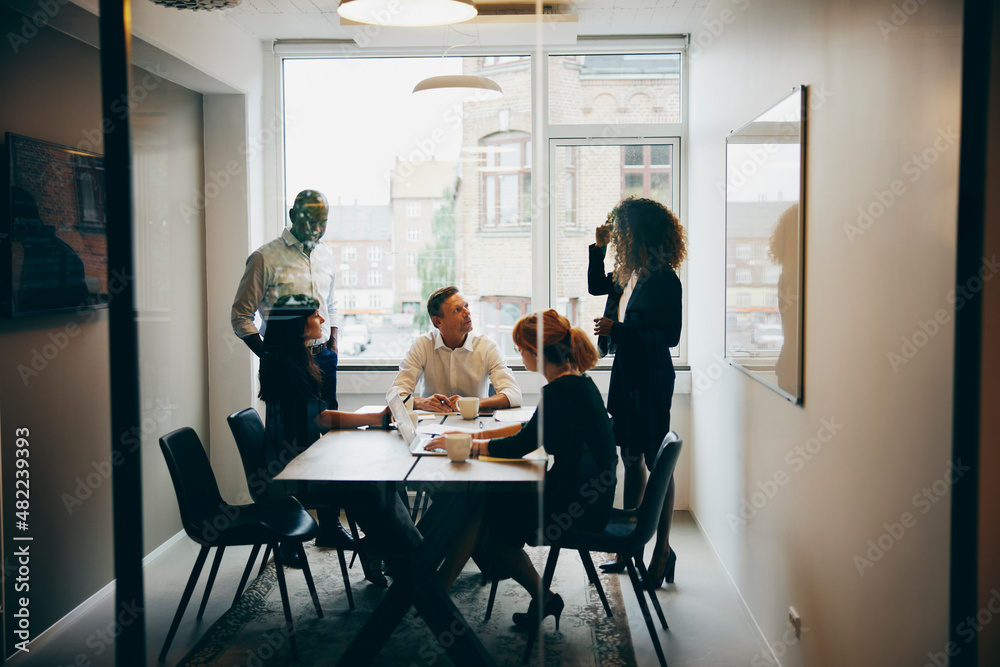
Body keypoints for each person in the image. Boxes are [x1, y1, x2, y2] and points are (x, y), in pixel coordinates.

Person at [425, 309, 617, 629]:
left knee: (486, 513)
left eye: (521, 349)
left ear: (536, 351)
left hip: (578, 507)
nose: (521, 356)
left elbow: (519, 445)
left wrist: (464, 445)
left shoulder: (562, 391)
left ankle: (438, 584)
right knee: (485, 504)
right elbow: (532, 430)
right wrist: (471, 436)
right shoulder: (574, 383)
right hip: (586, 496)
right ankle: (442, 585)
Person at [258, 294, 396, 583]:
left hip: (295, 462)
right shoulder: (289, 367)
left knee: (376, 484)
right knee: (372, 488)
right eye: (315, 315)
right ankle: (398, 552)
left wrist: (374, 418)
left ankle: (388, 550)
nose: (322, 319)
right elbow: (322, 419)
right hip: (294, 473)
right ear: (298, 324)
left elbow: (320, 416)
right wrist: (375, 418)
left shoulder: (289, 358)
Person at [589, 196, 685, 588]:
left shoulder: (665, 280)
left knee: (654, 456)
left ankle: (662, 549)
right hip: (626, 373)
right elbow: (596, 286)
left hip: (652, 377)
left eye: (622, 234)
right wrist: (597, 247)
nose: (619, 241)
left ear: (639, 235)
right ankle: (631, 548)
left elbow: (671, 336)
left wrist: (620, 331)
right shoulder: (626, 274)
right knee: (630, 457)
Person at [232, 189, 340, 409]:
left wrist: (333, 347)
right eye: (310, 222)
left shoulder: (326, 256)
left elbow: (330, 306)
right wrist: (270, 357)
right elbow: (240, 317)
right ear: (292, 215)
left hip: (324, 358)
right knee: (291, 435)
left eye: (322, 223)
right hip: (287, 363)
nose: (316, 230)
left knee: (330, 428)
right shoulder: (264, 258)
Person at [389, 286, 521, 412]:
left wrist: (473, 403)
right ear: (438, 321)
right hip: (432, 425)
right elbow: (395, 394)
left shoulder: (486, 346)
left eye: (466, 306)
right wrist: (422, 403)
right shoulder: (422, 345)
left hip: (473, 423)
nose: (467, 313)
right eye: (457, 310)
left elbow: (513, 394)